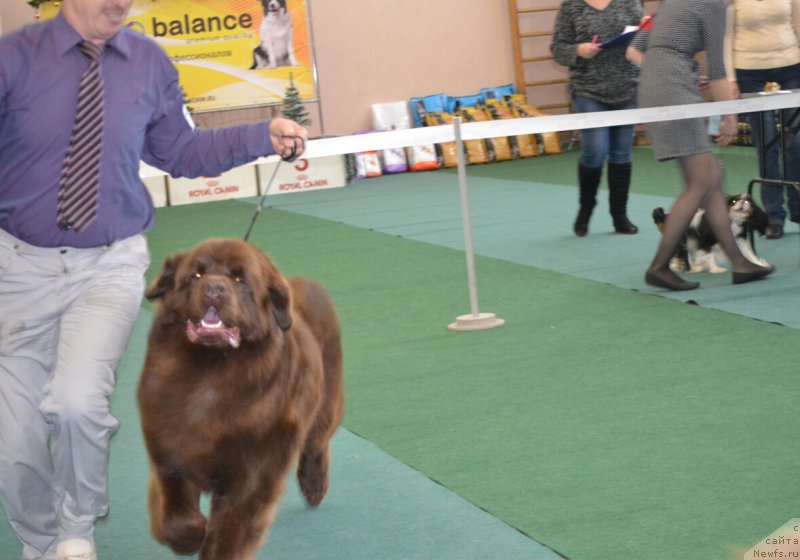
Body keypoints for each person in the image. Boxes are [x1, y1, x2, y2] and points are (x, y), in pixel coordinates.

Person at [0, 1, 308, 559]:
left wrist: (262, 135)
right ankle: (39, 541)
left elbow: (179, 151)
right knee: (14, 441)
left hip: (108, 264)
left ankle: (76, 530)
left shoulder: (147, 61)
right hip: (18, 269)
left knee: (77, 404)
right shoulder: (12, 59)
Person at [634, 0, 775, 291]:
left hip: (663, 84)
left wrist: (680, 71)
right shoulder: (712, 5)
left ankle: (740, 263)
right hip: (673, 90)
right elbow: (718, 72)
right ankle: (659, 267)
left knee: (711, 181)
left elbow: (645, 47)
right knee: (700, 184)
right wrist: (730, 116)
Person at [550, 0, 643, 237]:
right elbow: (557, 48)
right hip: (587, 90)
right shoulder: (571, 6)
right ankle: (586, 209)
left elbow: (643, 40)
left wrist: (645, 30)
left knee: (622, 153)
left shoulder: (629, 3)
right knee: (595, 151)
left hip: (627, 88)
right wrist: (578, 50)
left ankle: (619, 215)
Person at [725, 0, 800, 239]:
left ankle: (797, 208)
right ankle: (774, 217)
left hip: (791, 66)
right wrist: (730, 79)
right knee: (767, 146)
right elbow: (727, 37)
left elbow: (798, 23)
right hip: (749, 71)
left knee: (795, 142)